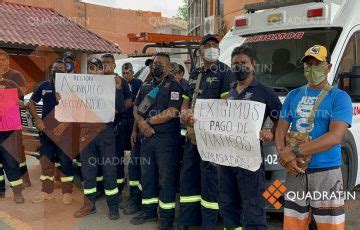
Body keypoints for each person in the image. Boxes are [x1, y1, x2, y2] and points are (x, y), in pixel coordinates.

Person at [276, 45, 353, 230]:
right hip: (296, 173)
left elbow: (335, 137)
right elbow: (280, 129)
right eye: (308, 64)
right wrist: (283, 155)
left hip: (326, 174)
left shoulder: (339, 97)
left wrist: (292, 151)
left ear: (328, 67)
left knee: (330, 226)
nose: (312, 68)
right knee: (293, 225)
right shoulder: (293, 95)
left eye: (317, 64)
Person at [218, 45, 282, 230]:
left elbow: (280, 118)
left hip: (250, 161)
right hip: (226, 159)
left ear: (253, 65)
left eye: (243, 63)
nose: (239, 67)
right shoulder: (229, 92)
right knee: (228, 206)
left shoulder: (265, 91)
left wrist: (269, 129)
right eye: (235, 64)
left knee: (253, 209)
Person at [178, 34, 235, 230]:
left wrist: (200, 114)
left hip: (211, 138)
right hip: (192, 136)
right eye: (208, 45)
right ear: (200, 51)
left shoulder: (225, 72)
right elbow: (186, 98)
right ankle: (186, 222)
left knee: (210, 184)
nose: (212, 48)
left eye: (215, 45)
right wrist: (184, 113)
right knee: (188, 179)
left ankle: (208, 225)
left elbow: (226, 104)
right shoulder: (194, 73)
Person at [130, 53, 184, 230]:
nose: (156, 66)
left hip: (166, 140)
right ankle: (149, 211)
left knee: (166, 179)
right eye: (154, 63)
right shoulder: (147, 85)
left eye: (160, 63)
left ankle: (166, 218)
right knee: (148, 176)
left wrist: (149, 122)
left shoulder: (174, 85)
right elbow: (137, 107)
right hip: (147, 138)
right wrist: (140, 125)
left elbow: (173, 111)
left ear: (168, 67)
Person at [74, 54, 126, 220]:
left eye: (96, 68)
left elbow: (121, 109)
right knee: (88, 172)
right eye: (91, 68)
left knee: (109, 170)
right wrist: (63, 99)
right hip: (85, 132)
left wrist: (118, 90)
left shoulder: (112, 84)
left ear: (102, 71)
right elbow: (71, 108)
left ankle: (113, 207)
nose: (94, 71)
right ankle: (89, 205)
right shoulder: (81, 86)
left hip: (105, 132)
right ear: (88, 71)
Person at [28, 60, 74, 205]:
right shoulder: (44, 85)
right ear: (51, 70)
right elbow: (30, 103)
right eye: (55, 68)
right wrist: (38, 120)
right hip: (46, 132)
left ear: (66, 71)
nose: (58, 70)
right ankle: (47, 192)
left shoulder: (70, 87)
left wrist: (65, 123)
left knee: (65, 163)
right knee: (46, 163)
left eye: (61, 68)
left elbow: (79, 108)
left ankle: (67, 193)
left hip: (65, 132)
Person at [102, 53, 132, 203]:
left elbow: (129, 101)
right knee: (102, 159)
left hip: (117, 127)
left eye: (108, 62)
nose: (105, 64)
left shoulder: (121, 82)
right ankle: (103, 188)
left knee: (117, 159)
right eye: (103, 62)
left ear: (114, 65)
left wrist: (117, 110)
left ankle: (119, 190)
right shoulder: (96, 79)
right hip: (100, 127)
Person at [0, 49, 31, 188]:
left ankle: (25, 180)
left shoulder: (15, 75)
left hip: (11, 122)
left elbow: (21, 96)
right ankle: (2, 187)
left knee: (17, 152)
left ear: (8, 60)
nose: (0, 62)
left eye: (3, 59)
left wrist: (18, 103)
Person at [120, 62, 143, 215]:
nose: (126, 74)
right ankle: (127, 192)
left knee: (134, 158)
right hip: (123, 122)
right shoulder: (119, 84)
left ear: (133, 72)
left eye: (128, 72)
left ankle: (134, 195)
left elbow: (137, 105)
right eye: (124, 72)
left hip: (135, 122)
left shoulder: (139, 83)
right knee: (123, 157)